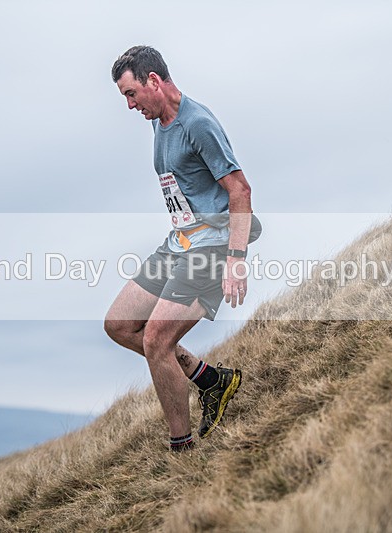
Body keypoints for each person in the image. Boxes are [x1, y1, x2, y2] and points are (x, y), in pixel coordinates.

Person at [104, 45, 256, 452]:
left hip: (213, 244)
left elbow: (240, 190)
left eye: (131, 94)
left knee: (156, 340)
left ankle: (181, 451)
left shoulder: (197, 123)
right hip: (180, 243)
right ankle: (210, 380)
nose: (130, 105)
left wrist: (235, 261)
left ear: (154, 80)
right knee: (119, 325)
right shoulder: (158, 121)